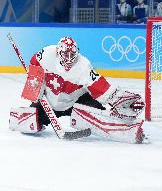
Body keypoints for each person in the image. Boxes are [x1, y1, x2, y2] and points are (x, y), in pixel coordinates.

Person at [9, 37, 145, 143]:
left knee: (99, 115)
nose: (69, 58)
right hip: (49, 102)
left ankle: (128, 130)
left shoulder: (83, 65)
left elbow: (101, 87)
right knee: (29, 121)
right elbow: (34, 63)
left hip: (76, 101)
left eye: (72, 54)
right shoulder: (46, 54)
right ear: (58, 52)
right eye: (65, 54)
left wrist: (119, 99)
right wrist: (35, 83)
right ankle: (16, 118)